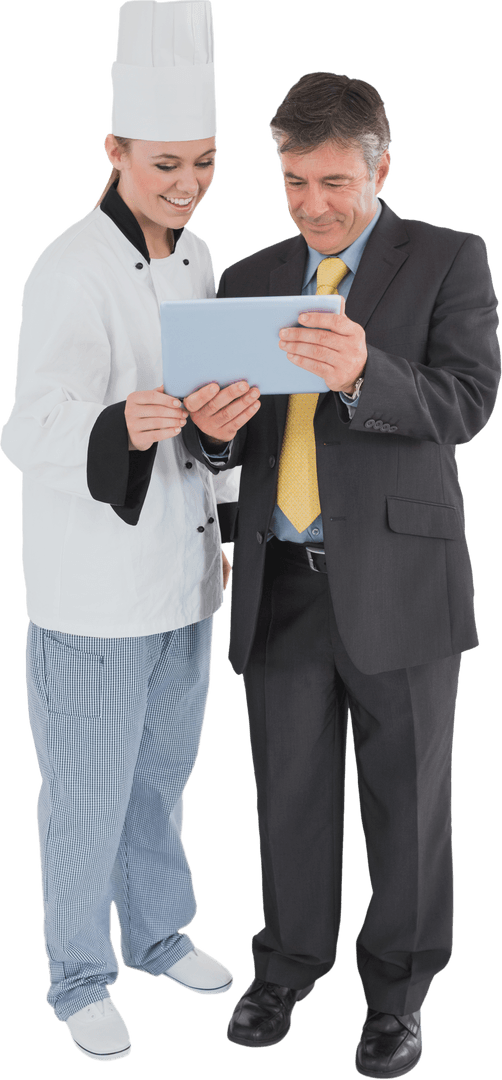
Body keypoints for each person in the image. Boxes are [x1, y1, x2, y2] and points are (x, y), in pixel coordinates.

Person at [180, 73, 500, 1076]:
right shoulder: (249, 276)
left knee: (408, 805)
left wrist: (365, 371)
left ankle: (397, 996)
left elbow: (467, 403)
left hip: (401, 583)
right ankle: (285, 967)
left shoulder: (449, 257)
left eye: (333, 182)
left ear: (380, 166)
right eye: (291, 183)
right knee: (289, 795)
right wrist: (214, 434)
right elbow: (227, 445)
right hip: (280, 582)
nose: (313, 206)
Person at [0, 0, 239, 1064]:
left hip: (185, 579)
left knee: (163, 783)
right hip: (92, 596)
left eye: (202, 161)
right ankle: (77, 975)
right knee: (85, 801)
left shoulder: (200, 261)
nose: (185, 183)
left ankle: (157, 932)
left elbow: (207, 424)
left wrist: (221, 453)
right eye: (163, 165)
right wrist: (119, 421)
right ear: (114, 151)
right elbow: (26, 427)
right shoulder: (66, 269)